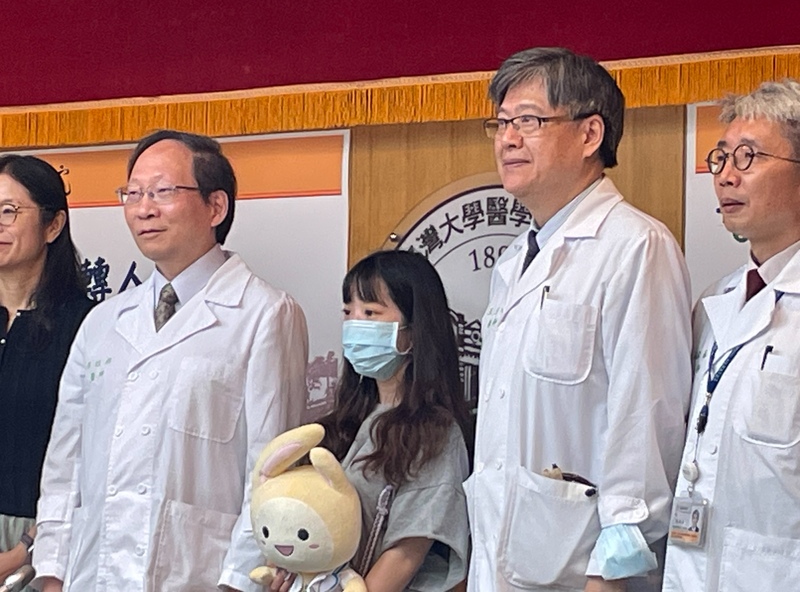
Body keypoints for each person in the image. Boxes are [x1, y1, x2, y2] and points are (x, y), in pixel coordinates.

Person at [32, 130, 309, 592]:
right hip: (93, 574)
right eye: (133, 193)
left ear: (215, 207)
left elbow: (271, 468)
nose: (144, 209)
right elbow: (65, 463)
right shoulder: (103, 321)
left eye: (162, 191)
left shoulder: (265, 314)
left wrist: (239, 581)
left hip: (201, 575)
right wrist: (52, 572)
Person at [467, 47, 692, 592]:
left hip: (585, 571)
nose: (507, 139)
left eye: (528, 121)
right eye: (500, 123)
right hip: (502, 556)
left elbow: (646, 419)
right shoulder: (515, 258)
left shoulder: (635, 246)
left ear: (590, 134)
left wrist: (614, 567)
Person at [663, 79, 800, 592]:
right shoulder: (715, 301)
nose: (726, 176)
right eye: (720, 158)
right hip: (693, 565)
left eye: (749, 157)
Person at [274, 250, 470, 592]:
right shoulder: (340, 424)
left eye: (370, 313)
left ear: (414, 329)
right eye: (348, 312)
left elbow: (406, 551)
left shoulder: (436, 434)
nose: (355, 325)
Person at [0, 156, 94, 585]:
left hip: (47, 546)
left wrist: (25, 549)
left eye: (9, 211)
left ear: (53, 225)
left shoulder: (88, 326)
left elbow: (93, 456)